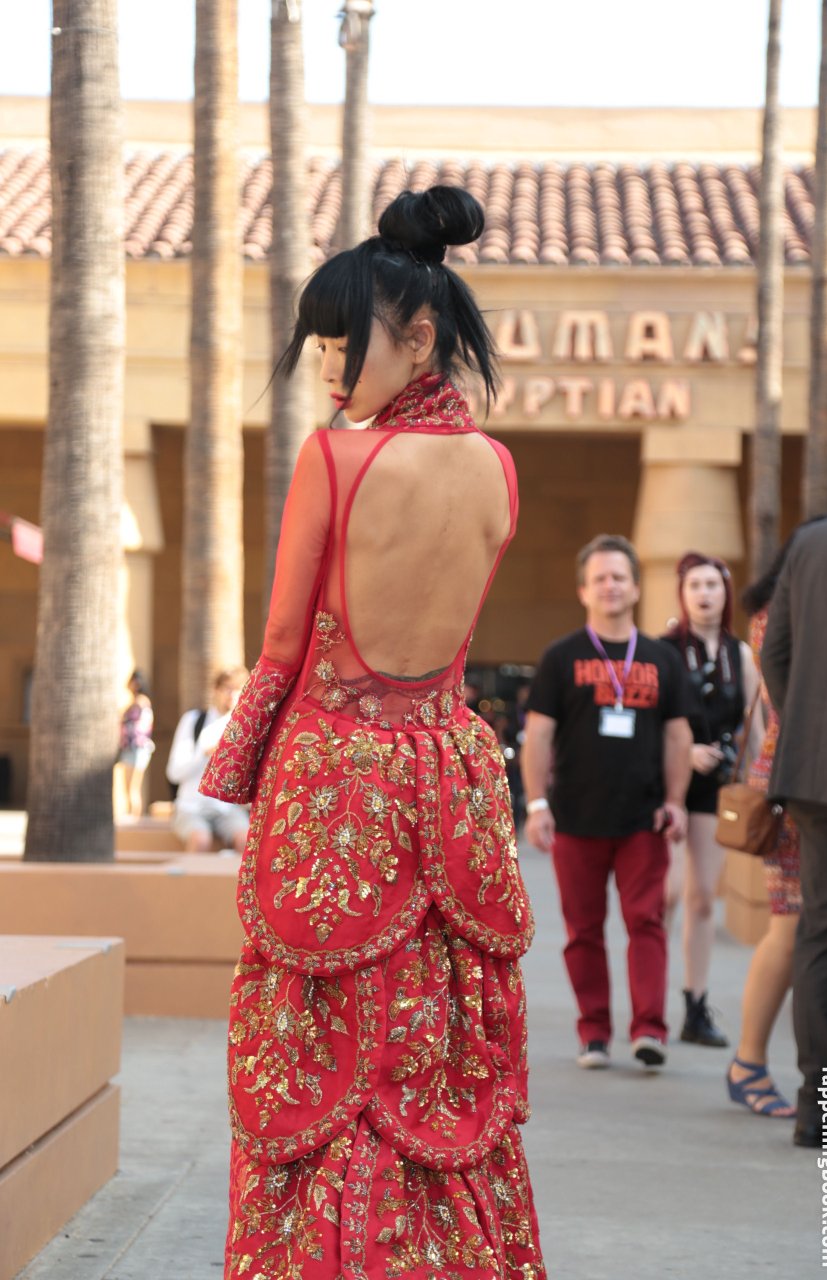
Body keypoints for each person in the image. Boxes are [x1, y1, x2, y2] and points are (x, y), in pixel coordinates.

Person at [198, 186, 545, 1277]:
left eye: (345, 343)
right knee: (431, 1043)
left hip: (333, 778)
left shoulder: (335, 460)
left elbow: (283, 644)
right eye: (322, 347)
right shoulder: (496, 469)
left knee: (320, 1044)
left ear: (420, 338)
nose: (330, 368)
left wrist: (232, 766)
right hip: (447, 774)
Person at [522, 533, 692, 1072]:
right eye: (600, 578)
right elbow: (539, 735)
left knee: (647, 923)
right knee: (583, 932)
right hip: (575, 819)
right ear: (583, 590)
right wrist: (536, 805)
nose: (610, 586)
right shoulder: (561, 656)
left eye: (619, 577)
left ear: (636, 587)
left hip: (644, 818)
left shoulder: (662, 658)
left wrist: (676, 801)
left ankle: (649, 1030)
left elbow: (678, 736)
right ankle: (594, 1033)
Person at [761, 512, 827, 1148]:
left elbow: (775, 653)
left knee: (823, 931)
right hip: (819, 768)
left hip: (816, 772)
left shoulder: (814, 543)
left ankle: (820, 1110)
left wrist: (811, 727)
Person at [725, 534, 810, 1119]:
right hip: (793, 786)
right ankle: (748, 1062)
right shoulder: (780, 614)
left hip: (799, 779)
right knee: (790, 925)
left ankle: (751, 1062)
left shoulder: (779, 609)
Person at [661, 552, 760, 1048]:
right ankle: (648, 1004)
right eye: (695, 585)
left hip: (715, 787)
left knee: (701, 898)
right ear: (683, 593)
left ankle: (695, 1006)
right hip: (666, 784)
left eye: (712, 585)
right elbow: (653, 721)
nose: (704, 594)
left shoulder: (738, 653)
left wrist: (760, 782)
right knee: (666, 895)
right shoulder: (664, 649)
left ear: (725, 593)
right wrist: (685, 751)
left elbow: (754, 726)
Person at [165, 667, 250, 854]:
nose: (232, 695)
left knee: (246, 841)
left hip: (227, 809)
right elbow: (173, 773)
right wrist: (205, 754)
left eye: (238, 689)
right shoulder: (194, 721)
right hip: (190, 807)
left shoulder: (244, 727)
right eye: (227, 688)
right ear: (216, 690)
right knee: (200, 840)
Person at [117, 669, 155, 819]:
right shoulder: (136, 702)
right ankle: (131, 816)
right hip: (129, 747)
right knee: (128, 786)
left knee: (133, 786)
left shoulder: (141, 701)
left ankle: (134, 819)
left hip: (138, 747)